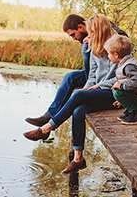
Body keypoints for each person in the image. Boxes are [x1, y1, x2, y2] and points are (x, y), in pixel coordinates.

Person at [23, 14, 119, 174]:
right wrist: (88, 88)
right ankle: (78, 159)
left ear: (101, 31)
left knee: (78, 96)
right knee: (78, 111)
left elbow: (120, 77)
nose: (90, 36)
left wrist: (95, 88)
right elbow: (92, 75)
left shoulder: (116, 47)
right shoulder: (93, 47)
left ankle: (46, 128)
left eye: (92, 32)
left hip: (115, 93)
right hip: (99, 91)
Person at [24, 13, 128, 127]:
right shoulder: (91, 40)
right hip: (94, 75)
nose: (74, 38)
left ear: (80, 27)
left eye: (73, 34)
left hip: (111, 82)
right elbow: (93, 71)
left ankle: (50, 125)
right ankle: (50, 115)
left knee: (85, 48)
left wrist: (95, 37)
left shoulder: (103, 29)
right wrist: (86, 89)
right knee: (70, 77)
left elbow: (122, 37)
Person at [107, 34, 137, 125]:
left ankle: (136, 114)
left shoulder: (129, 66)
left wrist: (121, 86)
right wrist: (126, 99)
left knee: (117, 91)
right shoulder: (125, 63)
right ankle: (131, 111)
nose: (108, 57)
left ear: (116, 55)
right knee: (118, 91)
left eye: (108, 54)